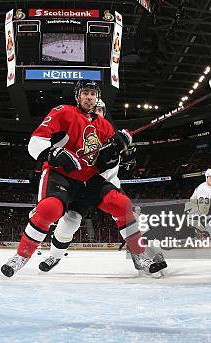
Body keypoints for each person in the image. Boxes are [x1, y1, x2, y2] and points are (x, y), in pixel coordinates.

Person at [0, 80, 167, 277]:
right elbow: (36, 141)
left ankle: (140, 256)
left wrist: (118, 149)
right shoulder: (64, 112)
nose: (90, 97)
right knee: (50, 209)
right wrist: (51, 153)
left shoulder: (106, 127)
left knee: (123, 205)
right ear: (78, 96)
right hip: (62, 177)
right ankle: (22, 256)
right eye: (85, 93)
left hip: (90, 182)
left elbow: (106, 166)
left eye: (93, 94)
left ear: (98, 99)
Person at [37, 100, 164, 273]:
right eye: (93, 109)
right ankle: (55, 255)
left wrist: (124, 148)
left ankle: (144, 255)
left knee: (129, 214)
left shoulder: (108, 132)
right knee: (70, 221)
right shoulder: (79, 130)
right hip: (82, 186)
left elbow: (120, 160)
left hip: (106, 185)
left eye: (99, 110)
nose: (95, 112)